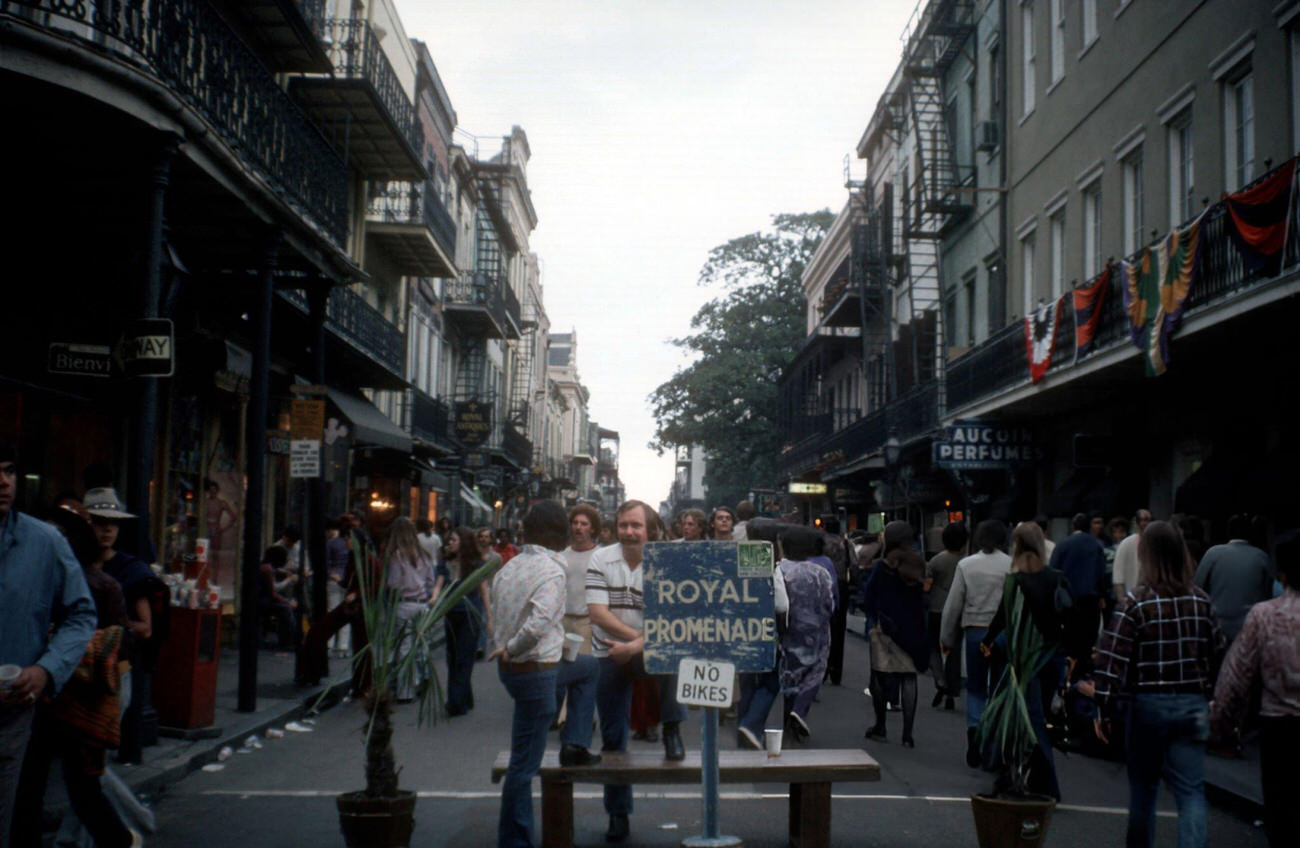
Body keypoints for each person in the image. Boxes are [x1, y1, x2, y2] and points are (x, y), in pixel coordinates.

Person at [12, 507, 140, 848]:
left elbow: (123, 639)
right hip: (40, 699)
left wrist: (73, 647)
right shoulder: (29, 577)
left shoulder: (102, 585)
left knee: (83, 789)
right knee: (30, 787)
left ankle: (119, 839)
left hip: (82, 702)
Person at [1094, 521, 1224, 848]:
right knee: (1191, 790)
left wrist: (1103, 708)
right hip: (1192, 702)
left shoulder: (1135, 605)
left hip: (1147, 704)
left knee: (1144, 790)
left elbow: (1113, 661)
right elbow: (1219, 650)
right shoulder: (1201, 602)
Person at [0, 442, 98, 842]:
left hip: (11, 712)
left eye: (8, 471)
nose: (2, 481)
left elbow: (81, 614)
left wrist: (46, 670)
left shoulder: (44, 542)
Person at [489, 502, 597, 848]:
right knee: (523, 766)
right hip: (534, 671)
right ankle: (515, 841)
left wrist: (506, 647)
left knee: (588, 666)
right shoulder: (552, 572)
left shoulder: (510, 566)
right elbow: (537, 624)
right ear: (561, 534)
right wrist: (514, 647)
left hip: (519, 670)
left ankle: (575, 743)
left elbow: (501, 612)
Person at [586, 500, 686, 843]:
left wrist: (638, 647)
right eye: (624, 525)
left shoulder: (665, 561)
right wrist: (635, 643)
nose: (629, 532)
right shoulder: (601, 558)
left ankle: (672, 727)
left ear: (650, 529)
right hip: (610, 651)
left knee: (673, 657)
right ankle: (618, 814)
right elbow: (598, 613)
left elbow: (672, 619)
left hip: (647, 649)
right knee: (613, 740)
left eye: (636, 526)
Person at [1210, 528, 1300, 848]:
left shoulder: (1265, 616)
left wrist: (1220, 724)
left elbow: (1235, 678)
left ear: (1282, 573)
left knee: (1282, 812)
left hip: (1279, 729)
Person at [979, 522, 1071, 800]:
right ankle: (1023, 779)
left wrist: (988, 641)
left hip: (1024, 661)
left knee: (1026, 719)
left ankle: (1041, 785)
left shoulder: (1015, 582)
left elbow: (1003, 617)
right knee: (1035, 717)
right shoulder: (1056, 577)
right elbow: (1070, 615)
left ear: (1016, 546)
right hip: (1051, 657)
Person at [85, 487, 167, 766]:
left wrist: (109, 630)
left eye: (113, 522)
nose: (107, 529)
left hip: (113, 671)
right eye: (99, 521)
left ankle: (127, 812)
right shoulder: (74, 564)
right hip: (78, 671)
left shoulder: (129, 569)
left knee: (94, 758)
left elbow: (145, 627)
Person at [940, 519, 1011, 768]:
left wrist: (946, 638)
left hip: (975, 630)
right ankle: (997, 740)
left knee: (976, 688)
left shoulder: (967, 565)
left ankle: (974, 730)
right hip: (1004, 633)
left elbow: (953, 605)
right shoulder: (1011, 565)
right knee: (1001, 689)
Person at [862, 521, 928, 748]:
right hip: (913, 628)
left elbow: (869, 597)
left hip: (886, 629)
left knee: (880, 677)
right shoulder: (917, 563)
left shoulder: (883, 567)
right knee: (909, 677)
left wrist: (873, 619)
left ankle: (880, 726)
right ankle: (908, 734)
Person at [775, 526, 835, 744]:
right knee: (814, 673)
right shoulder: (821, 572)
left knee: (790, 673)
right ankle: (799, 711)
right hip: (817, 633)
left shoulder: (780, 569)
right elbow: (830, 603)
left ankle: (789, 717)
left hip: (790, 631)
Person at [554, 506, 602, 762]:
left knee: (581, 671)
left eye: (584, 524)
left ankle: (569, 723)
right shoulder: (561, 556)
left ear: (592, 528)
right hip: (563, 621)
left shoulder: (600, 556)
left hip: (586, 622)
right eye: (575, 523)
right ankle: (570, 721)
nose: (579, 528)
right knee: (563, 670)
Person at [432, 528, 492, 716]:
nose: (450, 543)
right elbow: (438, 585)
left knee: (464, 658)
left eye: (454, 540)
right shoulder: (446, 563)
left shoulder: (475, 564)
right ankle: (463, 698)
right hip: (451, 614)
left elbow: (484, 591)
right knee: (452, 657)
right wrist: (434, 599)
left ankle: (455, 701)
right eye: (449, 540)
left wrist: (490, 619)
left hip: (470, 615)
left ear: (463, 543)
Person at [1194, 514, 1274, 643]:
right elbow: (1267, 596)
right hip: (1249, 629)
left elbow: (1197, 588)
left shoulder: (1213, 553)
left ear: (1228, 532)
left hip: (1217, 627)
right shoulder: (1261, 558)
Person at [383, 517, 435, 703]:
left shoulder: (397, 556)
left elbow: (394, 584)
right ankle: (424, 678)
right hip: (422, 603)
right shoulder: (423, 555)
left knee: (404, 647)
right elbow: (430, 581)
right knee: (421, 644)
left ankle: (406, 691)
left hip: (404, 604)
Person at [1049, 512, 1108, 672]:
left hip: (1068, 600)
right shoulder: (1096, 545)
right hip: (1090, 599)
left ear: (1073, 526)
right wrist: (1102, 595)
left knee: (1070, 642)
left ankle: (1068, 674)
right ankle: (1083, 672)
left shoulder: (1062, 545)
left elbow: (1053, 571)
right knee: (1087, 642)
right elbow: (1101, 572)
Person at [926, 522, 967, 710]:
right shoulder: (966, 561)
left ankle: (940, 680)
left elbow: (926, 585)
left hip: (936, 607)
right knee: (953, 650)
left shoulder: (936, 561)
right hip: (958, 611)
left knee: (934, 647)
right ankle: (952, 688)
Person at [821, 517, 852, 686]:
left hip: (821, 585)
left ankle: (822, 668)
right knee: (839, 629)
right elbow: (853, 564)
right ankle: (836, 672)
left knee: (821, 627)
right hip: (840, 585)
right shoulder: (845, 543)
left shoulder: (819, 542)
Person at [1112, 509, 1152, 603]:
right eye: (1144, 520)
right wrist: (1122, 601)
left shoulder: (1157, 543)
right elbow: (1118, 577)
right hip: (1132, 596)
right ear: (1138, 523)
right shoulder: (1126, 544)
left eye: (1148, 520)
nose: (1146, 523)